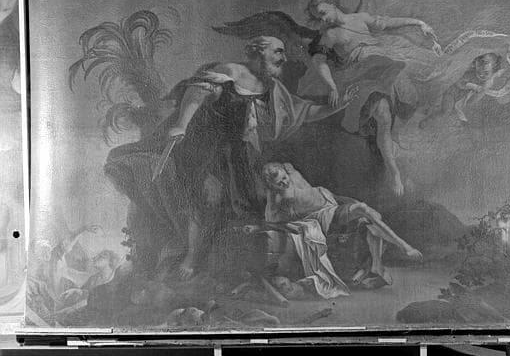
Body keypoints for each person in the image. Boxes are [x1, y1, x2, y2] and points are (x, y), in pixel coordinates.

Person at [105, 36, 357, 280]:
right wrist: (181, 123)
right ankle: (191, 258)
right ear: (259, 51)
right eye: (278, 51)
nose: (284, 57)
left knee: (243, 205)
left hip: (235, 153)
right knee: (204, 197)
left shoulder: (272, 88)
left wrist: (337, 106)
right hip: (202, 145)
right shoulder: (232, 71)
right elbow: (198, 92)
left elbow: (301, 111)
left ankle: (231, 263)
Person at [297, 0, 441, 196]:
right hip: (363, 76)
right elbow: (319, 61)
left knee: (409, 95)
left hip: (387, 65)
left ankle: (406, 140)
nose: (323, 19)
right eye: (319, 17)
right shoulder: (330, 35)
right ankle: (394, 173)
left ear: (332, 3)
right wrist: (332, 87)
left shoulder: (361, 18)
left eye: (323, 13)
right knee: (383, 115)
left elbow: (388, 23)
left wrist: (418, 23)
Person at [246, 161, 422, 297]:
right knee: (363, 210)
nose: (285, 183)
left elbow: (294, 177)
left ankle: (376, 265)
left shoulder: (289, 169)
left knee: (373, 217)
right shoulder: (277, 197)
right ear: (273, 187)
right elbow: (270, 219)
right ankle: (405, 246)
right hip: (325, 215)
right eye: (279, 184)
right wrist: (273, 199)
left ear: (285, 172)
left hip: (330, 198)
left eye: (284, 178)